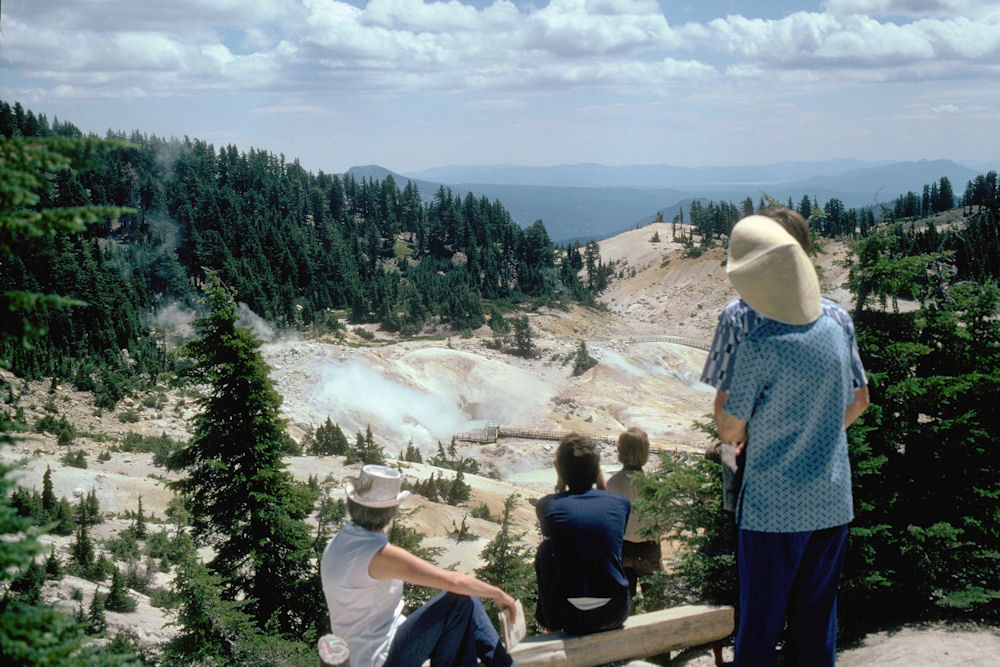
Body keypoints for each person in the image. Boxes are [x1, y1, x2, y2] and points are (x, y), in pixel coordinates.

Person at [715, 214, 869, 666]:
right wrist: (814, 432)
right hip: (832, 498)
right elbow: (859, 401)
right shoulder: (835, 323)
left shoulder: (758, 339)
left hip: (771, 506)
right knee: (818, 625)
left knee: (760, 627)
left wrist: (766, 432)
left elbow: (729, 427)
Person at [701, 207, 869, 511]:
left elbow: (723, 408)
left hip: (758, 476)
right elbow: (859, 401)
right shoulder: (837, 317)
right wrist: (814, 440)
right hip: (825, 483)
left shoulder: (738, 317)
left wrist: (731, 470)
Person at [320, 464, 517, 667]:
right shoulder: (376, 554)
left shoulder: (342, 540)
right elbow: (455, 582)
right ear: (391, 511)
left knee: (465, 606)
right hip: (378, 658)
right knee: (460, 600)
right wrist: (498, 594)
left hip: (362, 652)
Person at [534, 433, 631, 635]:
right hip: (614, 612)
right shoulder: (620, 504)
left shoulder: (547, 505)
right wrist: (600, 481)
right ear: (597, 470)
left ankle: (548, 625)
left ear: (559, 468)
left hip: (565, 616)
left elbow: (553, 532)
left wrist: (560, 483)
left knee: (545, 550)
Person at [605, 427, 662, 601]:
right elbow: (663, 520)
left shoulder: (613, 483)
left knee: (625, 601)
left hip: (623, 547)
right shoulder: (653, 484)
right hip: (648, 546)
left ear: (620, 451)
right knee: (655, 601)